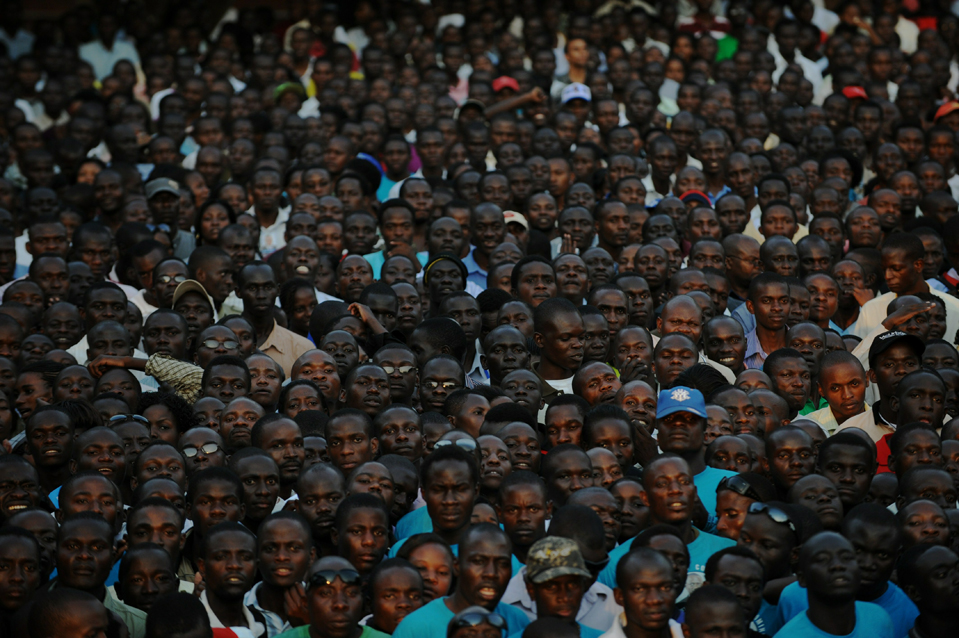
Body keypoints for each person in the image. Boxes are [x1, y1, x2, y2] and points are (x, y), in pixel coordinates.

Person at [392, 524, 531, 638]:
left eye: (502, 564)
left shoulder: (518, 621)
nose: (491, 573)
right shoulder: (416, 628)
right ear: (457, 566)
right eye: (478, 561)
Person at [773, 532, 894, 638]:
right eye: (822, 559)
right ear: (802, 578)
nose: (838, 565)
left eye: (846, 558)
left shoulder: (878, 618)